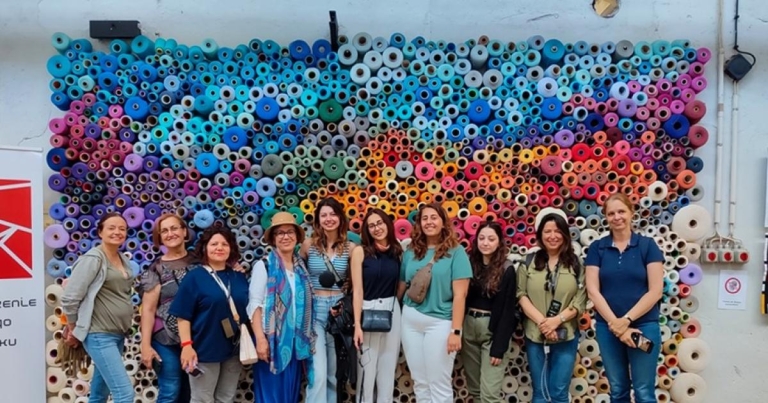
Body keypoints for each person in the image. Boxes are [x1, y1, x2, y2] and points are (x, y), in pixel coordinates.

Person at [585, 193, 664, 403]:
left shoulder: (647, 246)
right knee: (618, 389)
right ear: (606, 217)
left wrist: (626, 320)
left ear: (631, 213)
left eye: (621, 211)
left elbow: (655, 291)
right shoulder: (597, 248)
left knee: (644, 391)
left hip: (644, 326)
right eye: (611, 213)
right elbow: (593, 291)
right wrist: (616, 325)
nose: (617, 217)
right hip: (608, 328)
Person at [400, 202, 472, 403]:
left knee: (439, 383)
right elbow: (402, 285)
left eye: (434, 217)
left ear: (443, 222)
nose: (429, 222)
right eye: (425, 218)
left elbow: (460, 295)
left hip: (440, 323)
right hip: (410, 320)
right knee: (420, 382)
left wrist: (455, 331)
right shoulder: (411, 251)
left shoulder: (456, 252)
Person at [60, 212, 136, 403]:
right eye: (111, 228)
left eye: (122, 229)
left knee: (99, 394)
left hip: (118, 333)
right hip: (99, 334)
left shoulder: (123, 259)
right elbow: (70, 297)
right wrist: (73, 327)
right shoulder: (93, 259)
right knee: (124, 394)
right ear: (100, 232)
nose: (117, 232)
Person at [169, 226, 249, 403]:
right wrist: (187, 346)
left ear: (231, 248)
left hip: (234, 349)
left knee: (226, 398)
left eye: (224, 244)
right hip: (204, 349)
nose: (219, 248)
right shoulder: (194, 277)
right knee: (202, 399)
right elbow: (183, 315)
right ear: (205, 248)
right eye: (214, 244)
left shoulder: (238, 277)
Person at [517, 211, 586, 403]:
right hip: (535, 334)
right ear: (540, 235)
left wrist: (557, 321)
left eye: (557, 231)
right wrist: (544, 323)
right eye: (547, 231)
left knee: (559, 393)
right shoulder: (528, 262)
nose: (552, 236)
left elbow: (580, 300)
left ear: (565, 234)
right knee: (540, 392)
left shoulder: (576, 264)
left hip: (566, 334)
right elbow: (521, 294)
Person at [247, 211, 315, 402]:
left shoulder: (301, 268)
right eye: (280, 233)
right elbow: (255, 304)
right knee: (272, 395)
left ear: (297, 237)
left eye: (290, 232)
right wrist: (261, 339)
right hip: (272, 342)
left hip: (294, 343)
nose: (286, 237)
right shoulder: (264, 266)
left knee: (289, 394)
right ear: (273, 238)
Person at [300, 198, 356, 403]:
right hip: (315, 310)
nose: (328, 219)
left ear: (340, 218)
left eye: (333, 214)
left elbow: (355, 283)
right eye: (324, 215)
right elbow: (296, 274)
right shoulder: (308, 245)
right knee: (318, 372)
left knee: (333, 373)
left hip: (338, 313)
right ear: (318, 220)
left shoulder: (351, 248)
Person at [139, 213, 196, 403]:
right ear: (160, 238)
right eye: (164, 231)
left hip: (197, 336)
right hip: (166, 338)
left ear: (184, 231)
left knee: (191, 391)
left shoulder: (200, 263)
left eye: (174, 228)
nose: (170, 234)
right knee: (171, 389)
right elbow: (148, 310)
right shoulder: (155, 269)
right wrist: (145, 345)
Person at [461, 221, 518, 403]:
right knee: (475, 390)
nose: (485, 243)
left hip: (492, 330)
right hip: (469, 326)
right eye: (482, 238)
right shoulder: (470, 263)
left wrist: (499, 347)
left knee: (490, 394)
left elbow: (508, 310)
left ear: (499, 242)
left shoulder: (507, 269)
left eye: (491, 239)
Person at [350, 208, 403, 402]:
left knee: (387, 369)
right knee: (367, 369)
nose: (377, 228)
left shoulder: (397, 251)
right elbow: (357, 290)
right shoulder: (360, 252)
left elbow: (400, 285)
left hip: (392, 310)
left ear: (387, 224)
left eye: (379, 223)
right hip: (368, 310)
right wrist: (357, 324)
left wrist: (394, 304)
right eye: (371, 226)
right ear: (367, 230)